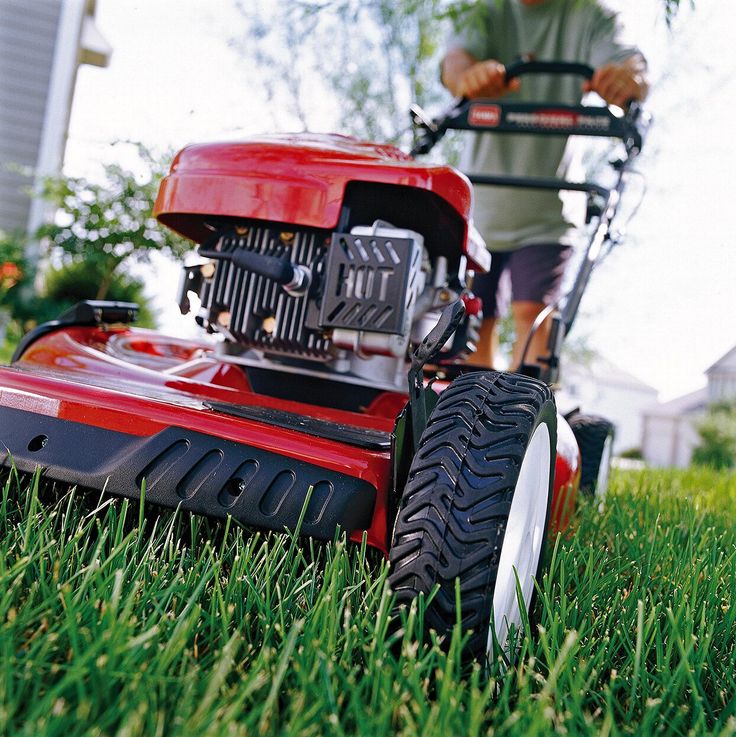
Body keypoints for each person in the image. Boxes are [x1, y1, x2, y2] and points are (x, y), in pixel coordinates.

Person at [441, 0, 649, 370]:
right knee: (470, 329)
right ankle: (465, 421)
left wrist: (626, 78)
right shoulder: (486, 10)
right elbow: (454, 64)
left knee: (534, 320)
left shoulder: (591, 15)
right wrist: (468, 76)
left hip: (550, 206)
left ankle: (525, 415)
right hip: (481, 207)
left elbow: (630, 65)